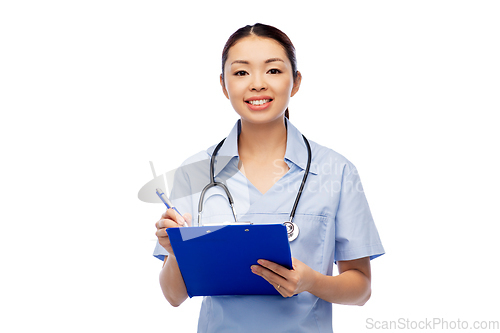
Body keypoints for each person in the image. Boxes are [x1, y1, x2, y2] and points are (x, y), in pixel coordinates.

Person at [153, 23, 384, 333]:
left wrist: (311, 282)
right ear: (224, 85)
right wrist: (176, 250)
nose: (257, 84)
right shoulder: (195, 171)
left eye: (273, 71)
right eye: (241, 73)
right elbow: (173, 296)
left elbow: (361, 289)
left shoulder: (337, 171)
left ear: (296, 81)